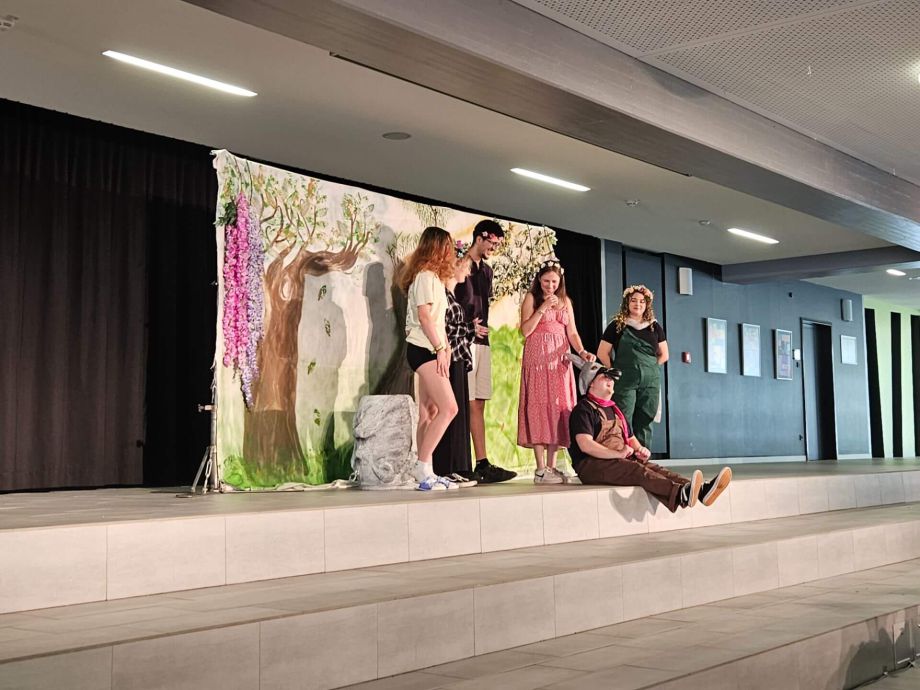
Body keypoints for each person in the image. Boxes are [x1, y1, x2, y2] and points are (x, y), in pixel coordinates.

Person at [567, 354, 731, 511]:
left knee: (655, 468)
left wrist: (640, 450)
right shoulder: (583, 410)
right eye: (604, 377)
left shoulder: (615, 410)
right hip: (591, 465)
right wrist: (617, 454)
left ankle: (701, 491)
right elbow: (586, 445)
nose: (610, 380)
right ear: (591, 384)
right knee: (638, 471)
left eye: (611, 378)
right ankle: (682, 494)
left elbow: (630, 438)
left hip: (617, 459)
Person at [518, 258, 596, 484]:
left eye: (554, 282)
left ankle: (551, 467)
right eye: (546, 281)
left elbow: (572, 332)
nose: (550, 286)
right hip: (538, 358)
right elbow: (525, 330)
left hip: (559, 359)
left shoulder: (565, 301)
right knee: (538, 405)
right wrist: (542, 308)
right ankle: (540, 468)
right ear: (539, 280)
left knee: (557, 407)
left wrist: (582, 351)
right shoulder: (532, 298)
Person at [454, 219, 517, 483]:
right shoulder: (459, 265)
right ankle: (459, 462)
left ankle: (482, 462)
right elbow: (451, 303)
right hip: (463, 341)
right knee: (465, 401)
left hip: (483, 342)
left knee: (479, 402)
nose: (494, 248)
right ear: (479, 238)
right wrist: (468, 327)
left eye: (498, 244)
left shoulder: (487, 271)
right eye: (492, 242)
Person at [399, 226, 460, 491]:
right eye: (447, 246)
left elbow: (438, 320)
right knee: (449, 408)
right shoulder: (424, 276)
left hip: (432, 348)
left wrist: (446, 349)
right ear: (437, 248)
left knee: (429, 412)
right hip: (423, 348)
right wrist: (439, 348)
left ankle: (425, 470)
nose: (451, 251)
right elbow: (424, 318)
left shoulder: (435, 278)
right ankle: (422, 466)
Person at [597, 285, 668, 450]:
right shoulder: (617, 325)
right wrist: (615, 370)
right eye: (634, 300)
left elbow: (664, 354)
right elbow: (602, 353)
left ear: (647, 304)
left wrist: (649, 368)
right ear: (627, 303)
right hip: (625, 379)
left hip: (650, 381)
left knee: (646, 418)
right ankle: (623, 457)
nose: (638, 304)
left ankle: (642, 458)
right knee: (623, 416)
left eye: (642, 301)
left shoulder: (654, 326)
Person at [432, 245, 479, 485]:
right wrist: (469, 327)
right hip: (449, 359)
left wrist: (470, 329)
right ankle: (447, 466)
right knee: (450, 411)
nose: (467, 273)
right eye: (466, 268)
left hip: (458, 358)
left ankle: (459, 465)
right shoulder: (442, 295)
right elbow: (445, 328)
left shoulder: (450, 296)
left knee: (459, 413)